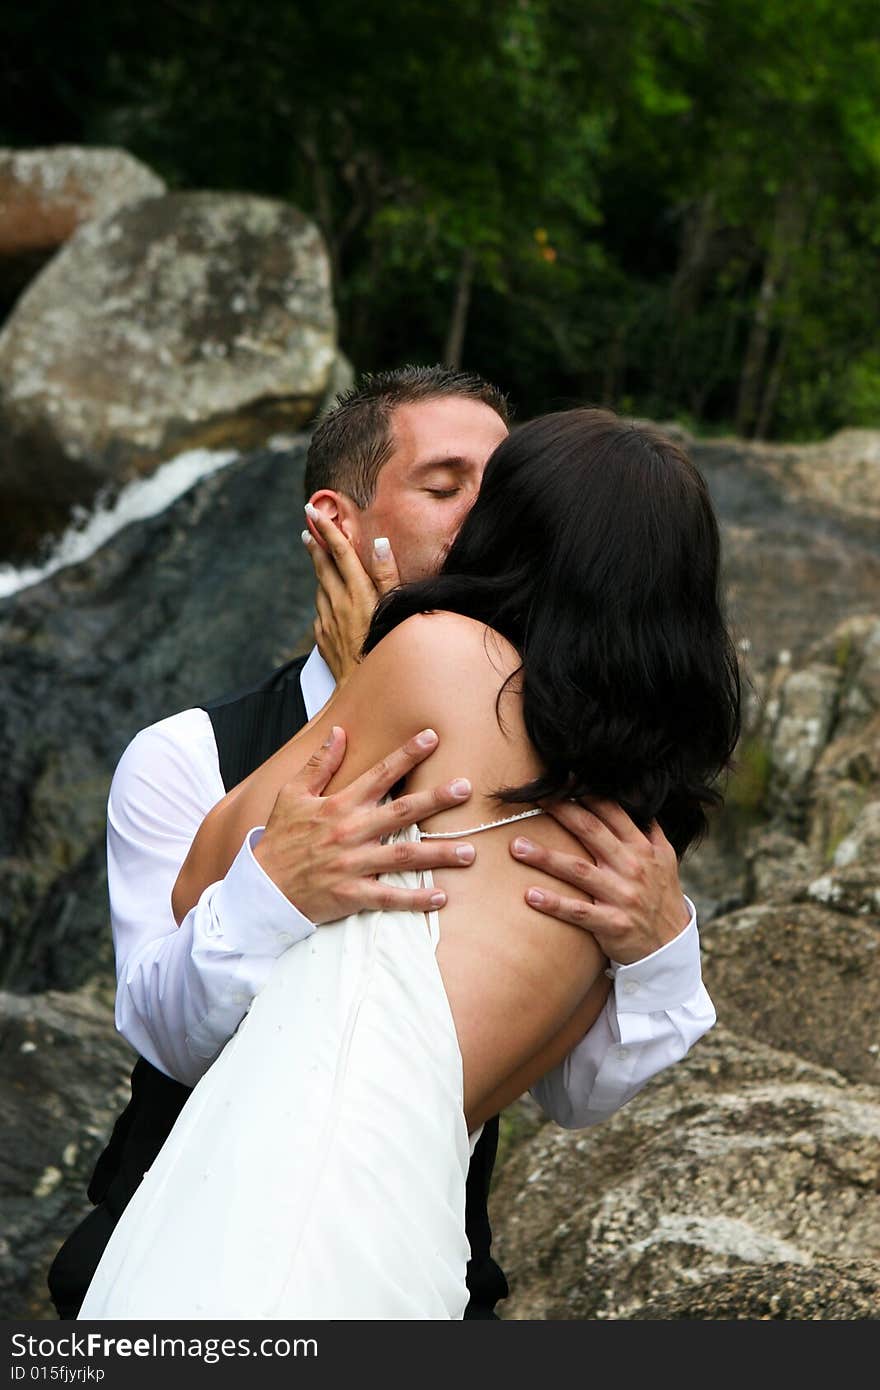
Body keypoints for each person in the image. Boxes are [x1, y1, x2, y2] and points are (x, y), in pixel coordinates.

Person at [51, 368, 722, 1321]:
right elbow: (162, 1032)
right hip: (208, 1220)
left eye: (502, 489)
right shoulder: (183, 753)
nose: (475, 520)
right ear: (336, 519)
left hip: (364, 1241)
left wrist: (660, 946)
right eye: (448, 488)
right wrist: (274, 889)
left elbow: (577, 1096)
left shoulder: (578, 782)